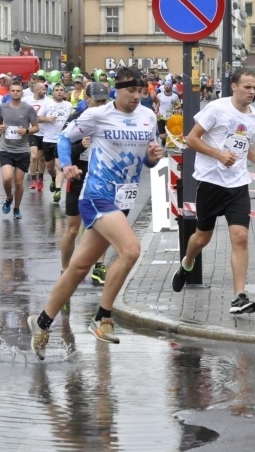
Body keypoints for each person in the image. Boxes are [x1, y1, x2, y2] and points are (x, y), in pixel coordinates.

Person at [27, 66, 163, 359]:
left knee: (78, 268)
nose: (137, 97)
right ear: (118, 89)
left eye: (141, 92)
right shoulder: (98, 115)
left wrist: (152, 159)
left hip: (123, 200)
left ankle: (41, 321)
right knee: (130, 251)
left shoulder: (148, 117)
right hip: (97, 195)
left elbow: (148, 160)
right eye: (131, 91)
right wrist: (66, 165)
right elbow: (64, 139)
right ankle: (102, 317)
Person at [171, 69, 255, 314]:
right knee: (202, 237)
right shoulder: (217, 108)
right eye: (246, 87)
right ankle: (187, 263)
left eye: (254, 87)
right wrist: (218, 155)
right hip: (211, 182)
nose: (251, 91)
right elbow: (191, 139)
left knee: (240, 237)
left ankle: (240, 296)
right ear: (233, 86)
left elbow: (243, 145)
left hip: (237, 185)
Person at [60, 82, 111, 286]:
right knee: (72, 229)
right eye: (96, 100)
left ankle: (99, 266)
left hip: (101, 179)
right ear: (86, 99)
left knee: (101, 226)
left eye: (103, 101)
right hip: (79, 177)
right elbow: (61, 149)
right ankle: (65, 269)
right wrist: (80, 145)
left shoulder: (110, 119)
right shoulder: (76, 119)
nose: (100, 105)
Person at [0, 80, 39, 219]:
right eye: (13, 90)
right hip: (6, 149)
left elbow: (36, 127)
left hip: (22, 150)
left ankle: (17, 208)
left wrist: (26, 130)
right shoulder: (3, 107)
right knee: (7, 178)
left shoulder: (28, 108)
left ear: (21, 92)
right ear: (9, 92)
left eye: (18, 91)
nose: (15, 93)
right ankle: (9, 198)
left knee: (18, 182)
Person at [37, 82, 73, 204]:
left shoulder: (68, 105)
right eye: (56, 90)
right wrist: (47, 119)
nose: (59, 92)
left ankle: (58, 191)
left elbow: (72, 120)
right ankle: (53, 178)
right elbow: (37, 118)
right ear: (53, 92)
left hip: (62, 140)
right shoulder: (47, 104)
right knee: (50, 167)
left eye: (61, 90)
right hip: (48, 139)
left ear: (64, 92)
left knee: (59, 166)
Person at [25, 81, 49, 190]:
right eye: (43, 89)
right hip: (33, 131)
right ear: (36, 90)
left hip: (45, 133)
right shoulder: (27, 101)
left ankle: (40, 178)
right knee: (34, 157)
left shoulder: (48, 101)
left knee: (42, 159)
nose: (45, 91)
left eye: (45, 89)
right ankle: (33, 179)